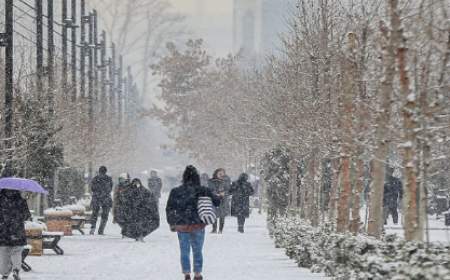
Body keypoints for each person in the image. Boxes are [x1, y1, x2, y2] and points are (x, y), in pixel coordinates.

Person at [166, 165, 221, 280]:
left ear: (184, 177)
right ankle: (197, 273)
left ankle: (186, 273)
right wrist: (218, 196)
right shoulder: (203, 190)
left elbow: (170, 208)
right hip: (198, 225)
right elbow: (216, 202)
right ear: (197, 177)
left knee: (184, 250)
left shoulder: (176, 191)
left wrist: (172, 223)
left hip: (182, 225)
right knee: (197, 250)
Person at [0, 189, 31, 280]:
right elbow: (26, 215)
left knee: (4, 252)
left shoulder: (0, 199)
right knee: (17, 251)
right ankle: (16, 270)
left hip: (3, 231)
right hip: (17, 231)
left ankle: (5, 273)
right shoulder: (21, 200)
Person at [89, 166, 113, 235]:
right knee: (105, 214)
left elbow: (92, 188)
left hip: (96, 197)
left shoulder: (95, 179)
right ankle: (101, 229)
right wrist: (104, 193)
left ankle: (92, 228)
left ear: (99, 171)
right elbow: (110, 189)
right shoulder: (108, 179)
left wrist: (98, 192)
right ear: (106, 171)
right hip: (105, 198)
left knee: (94, 213)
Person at [207, 168, 230, 234]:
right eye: (219, 173)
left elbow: (228, 189)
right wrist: (215, 193)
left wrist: (224, 193)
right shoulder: (211, 181)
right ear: (216, 173)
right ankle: (214, 229)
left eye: (222, 173)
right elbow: (210, 189)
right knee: (214, 214)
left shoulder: (226, 181)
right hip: (215, 199)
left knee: (222, 215)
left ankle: (220, 229)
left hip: (223, 200)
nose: (221, 174)